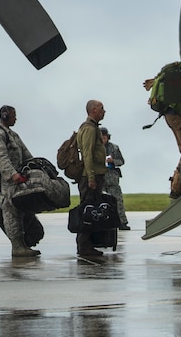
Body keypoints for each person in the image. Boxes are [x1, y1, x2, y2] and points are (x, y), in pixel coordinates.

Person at [0, 106, 40, 258]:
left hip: (18, 178)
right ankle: (17, 246)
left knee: (20, 210)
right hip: (7, 181)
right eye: (13, 115)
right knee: (10, 211)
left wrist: (36, 168)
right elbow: (1, 157)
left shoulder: (13, 135)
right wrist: (12, 175)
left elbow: (26, 154)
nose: (15, 118)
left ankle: (23, 243)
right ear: (4, 116)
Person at [144, 64, 181, 198]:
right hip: (176, 117)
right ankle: (176, 187)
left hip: (169, 116)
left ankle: (176, 185)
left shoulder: (169, 75)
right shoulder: (180, 71)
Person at [76, 100, 108, 257]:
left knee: (91, 211)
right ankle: (84, 246)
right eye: (101, 109)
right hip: (91, 176)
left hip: (94, 174)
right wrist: (91, 178)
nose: (104, 111)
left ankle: (87, 245)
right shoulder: (89, 129)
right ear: (93, 110)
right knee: (88, 212)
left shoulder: (92, 127)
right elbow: (87, 154)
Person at [100, 127, 129, 230]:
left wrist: (113, 161)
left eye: (104, 137)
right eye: (101, 137)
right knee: (101, 202)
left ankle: (122, 222)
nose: (103, 139)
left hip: (112, 177)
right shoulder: (95, 148)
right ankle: (103, 223)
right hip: (100, 178)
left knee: (118, 201)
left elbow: (121, 161)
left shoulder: (114, 148)